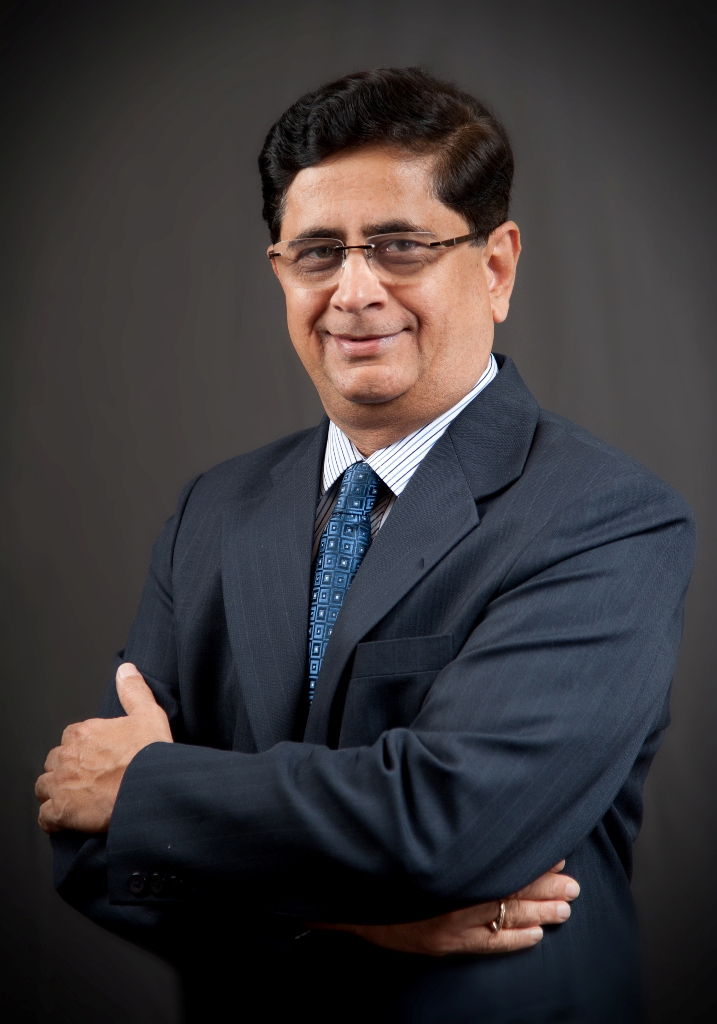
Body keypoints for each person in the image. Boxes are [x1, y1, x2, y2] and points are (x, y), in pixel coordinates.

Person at [35, 68, 694, 1022]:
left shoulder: (607, 517)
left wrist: (152, 790)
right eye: (317, 253)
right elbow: (89, 843)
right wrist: (354, 922)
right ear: (280, 272)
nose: (352, 291)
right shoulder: (211, 511)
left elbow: (446, 826)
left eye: (399, 247)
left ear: (495, 267)